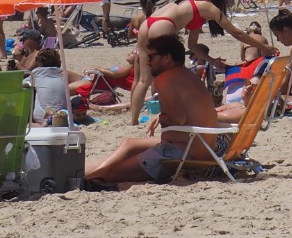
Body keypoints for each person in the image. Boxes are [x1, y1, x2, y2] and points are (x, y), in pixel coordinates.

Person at [85, 34, 227, 187]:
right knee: (129, 144)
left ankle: (86, 177)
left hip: (182, 151)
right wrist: (162, 117)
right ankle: (82, 173)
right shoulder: (187, 75)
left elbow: (177, 119)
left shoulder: (165, 79)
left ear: (166, 58)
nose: (147, 61)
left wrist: (163, 117)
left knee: (109, 175)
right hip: (203, 146)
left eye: (151, 57)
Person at [125, 0, 274, 124]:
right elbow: (237, 33)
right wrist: (264, 47)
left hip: (148, 24)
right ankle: (173, 112)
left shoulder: (196, 6)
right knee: (171, 76)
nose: (230, 0)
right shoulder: (209, 7)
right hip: (164, 26)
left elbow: (193, 45)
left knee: (142, 79)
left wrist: (212, 61)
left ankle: (133, 121)